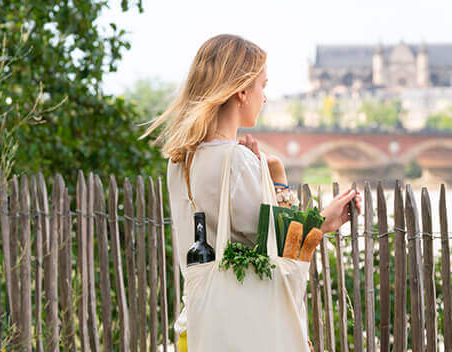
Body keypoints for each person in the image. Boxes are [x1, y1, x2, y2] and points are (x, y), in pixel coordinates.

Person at [141, 34, 361, 350]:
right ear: (242, 91)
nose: (265, 97)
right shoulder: (237, 160)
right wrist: (315, 215)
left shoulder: (181, 160)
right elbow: (282, 251)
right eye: (263, 86)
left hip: (202, 325)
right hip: (246, 331)